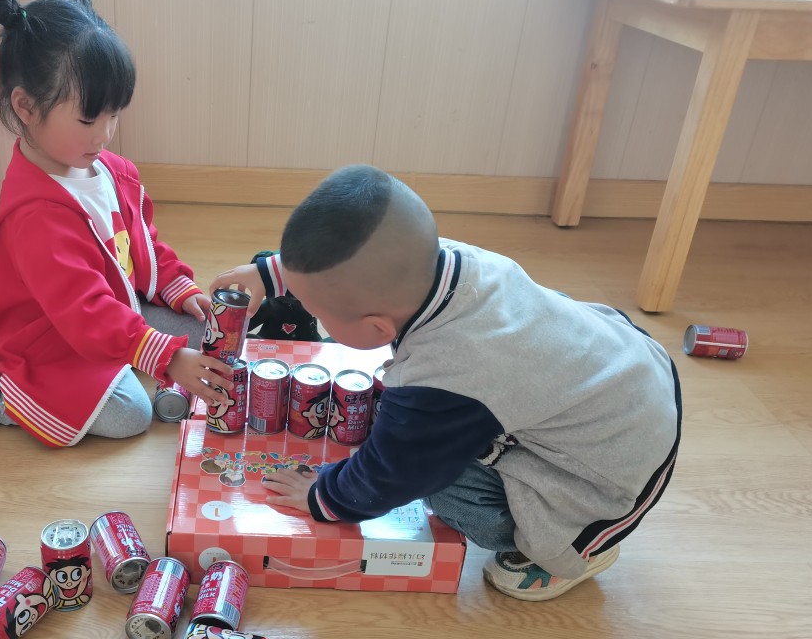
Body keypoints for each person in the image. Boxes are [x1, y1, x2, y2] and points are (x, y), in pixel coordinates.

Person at [211, 165, 681, 601]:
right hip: (633, 371)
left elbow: (392, 475)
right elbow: (355, 260)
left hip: (607, 476)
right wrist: (272, 274)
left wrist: (324, 496)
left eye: (316, 312)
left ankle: (577, 552)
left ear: (377, 328)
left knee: (443, 489)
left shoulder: (446, 376)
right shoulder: (442, 259)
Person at [0, 0, 230, 452]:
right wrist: (166, 359)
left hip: (113, 307)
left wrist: (178, 287)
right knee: (131, 414)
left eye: (114, 115)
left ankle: (136, 351)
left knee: (203, 328)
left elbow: (142, 244)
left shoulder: (109, 170)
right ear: (26, 107)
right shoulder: (35, 216)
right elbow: (82, 309)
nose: (104, 134)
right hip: (56, 337)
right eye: (89, 120)